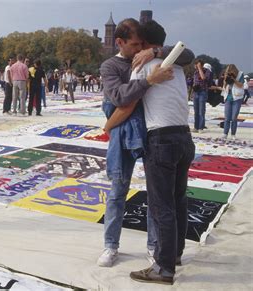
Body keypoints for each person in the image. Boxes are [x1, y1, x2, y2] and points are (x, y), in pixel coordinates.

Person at [98, 18, 194, 268]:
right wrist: (150, 80)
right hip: (123, 134)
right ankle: (111, 245)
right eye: (136, 44)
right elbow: (120, 99)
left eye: (144, 44)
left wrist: (155, 51)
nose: (140, 49)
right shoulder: (110, 65)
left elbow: (187, 53)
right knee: (118, 192)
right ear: (119, 42)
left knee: (157, 198)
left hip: (151, 133)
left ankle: (155, 248)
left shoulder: (148, 58)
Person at [126, 20, 195, 285]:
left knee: (161, 206)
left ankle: (163, 268)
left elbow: (127, 100)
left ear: (142, 43)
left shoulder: (142, 65)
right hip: (183, 137)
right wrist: (158, 53)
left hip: (161, 139)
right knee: (178, 201)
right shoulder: (176, 63)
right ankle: (174, 254)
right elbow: (187, 53)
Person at [221, 64, 244, 140]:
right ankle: (225, 133)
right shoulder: (227, 75)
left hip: (237, 98)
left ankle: (233, 134)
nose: (230, 73)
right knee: (227, 117)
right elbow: (224, 86)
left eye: (231, 71)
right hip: (228, 98)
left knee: (234, 118)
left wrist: (234, 79)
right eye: (228, 71)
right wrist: (226, 79)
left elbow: (240, 85)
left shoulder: (240, 74)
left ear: (234, 70)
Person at [192, 59, 211, 133]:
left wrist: (200, 68)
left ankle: (201, 127)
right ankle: (196, 127)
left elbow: (203, 78)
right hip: (195, 92)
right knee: (196, 111)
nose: (196, 66)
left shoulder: (207, 71)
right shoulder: (195, 72)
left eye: (198, 65)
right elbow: (194, 82)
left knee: (201, 111)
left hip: (203, 92)